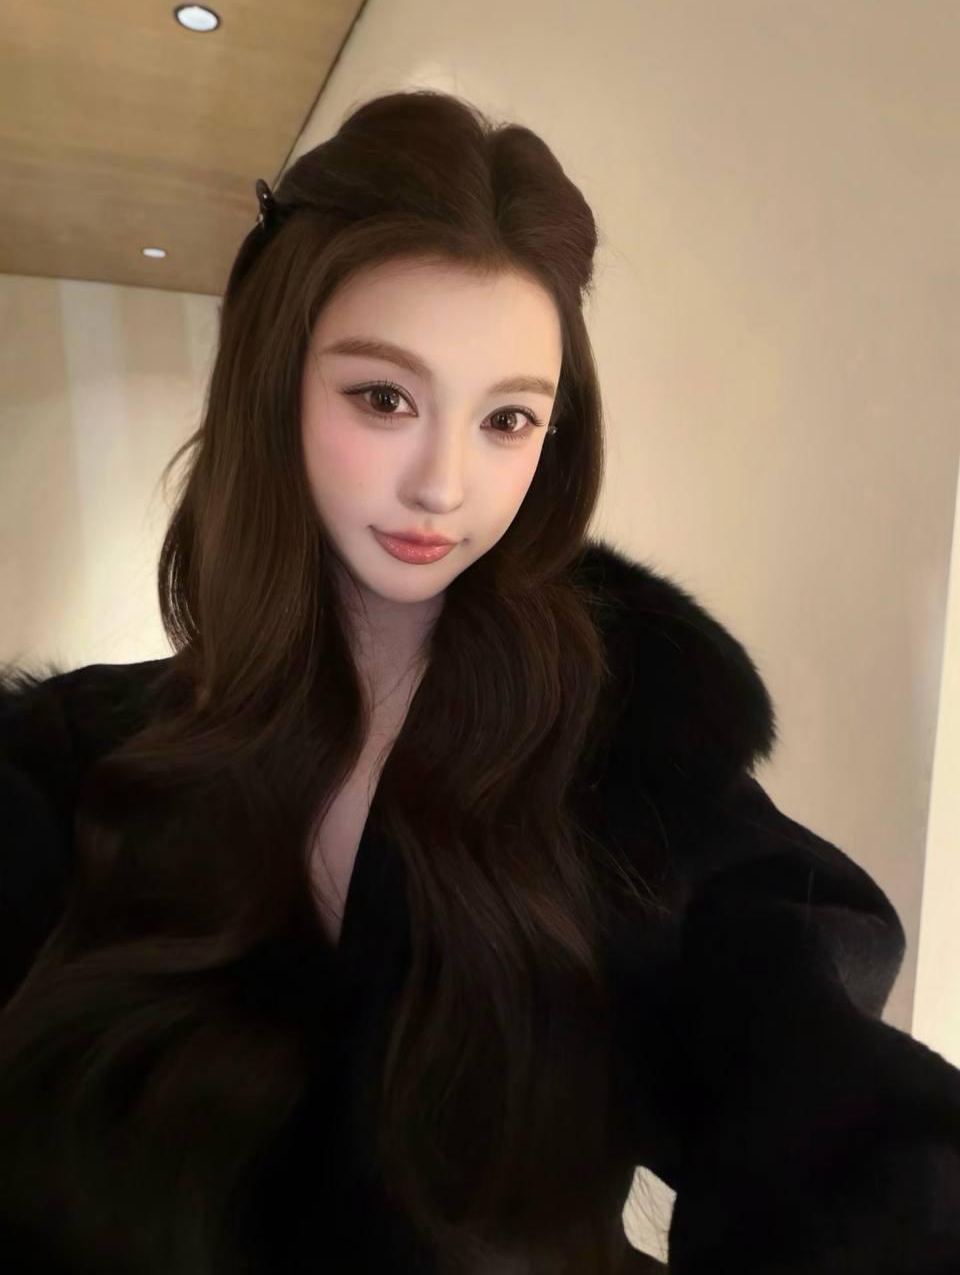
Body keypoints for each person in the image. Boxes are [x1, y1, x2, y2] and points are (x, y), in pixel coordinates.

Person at [1, 89, 959, 1275]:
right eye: (384, 397)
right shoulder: (70, 761)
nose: (444, 484)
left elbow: (826, 1094)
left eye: (508, 419)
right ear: (273, 383)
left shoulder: (627, 764)